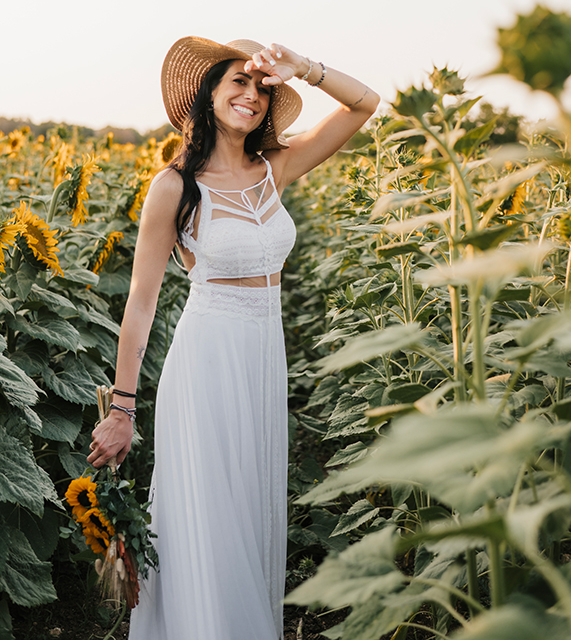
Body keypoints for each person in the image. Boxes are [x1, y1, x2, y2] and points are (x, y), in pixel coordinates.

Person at [87, 37, 379, 640]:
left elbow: (365, 104)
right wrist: (121, 407)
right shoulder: (174, 186)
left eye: (262, 88)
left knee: (248, 508)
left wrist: (306, 68)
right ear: (209, 95)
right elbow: (140, 304)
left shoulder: (274, 169)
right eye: (237, 85)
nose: (250, 96)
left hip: (261, 357)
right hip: (206, 361)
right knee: (206, 513)